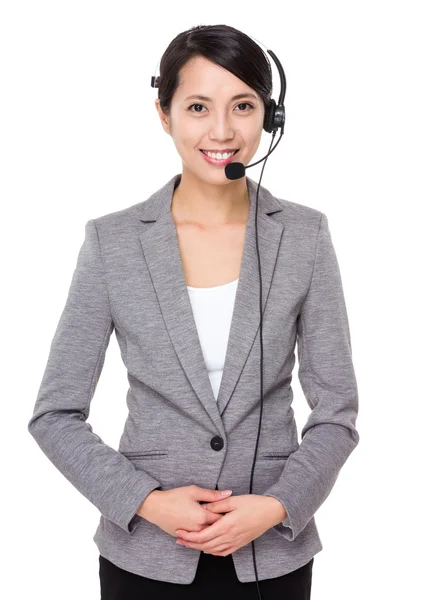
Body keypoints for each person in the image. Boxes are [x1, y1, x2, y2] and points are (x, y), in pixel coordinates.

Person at [28, 24, 359, 600]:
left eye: (244, 106)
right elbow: (54, 414)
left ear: (269, 119)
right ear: (164, 114)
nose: (223, 130)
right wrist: (146, 502)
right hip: (144, 558)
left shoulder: (305, 236)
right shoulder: (112, 242)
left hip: (271, 556)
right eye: (199, 106)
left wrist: (280, 505)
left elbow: (337, 410)